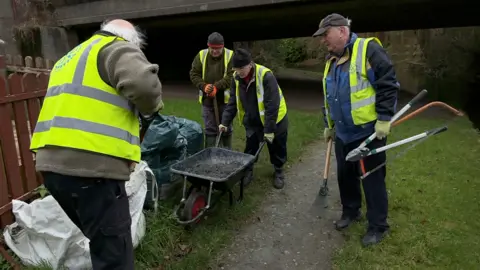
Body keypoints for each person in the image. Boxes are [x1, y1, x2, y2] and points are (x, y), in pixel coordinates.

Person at [29, 19, 164, 269]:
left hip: (52, 169)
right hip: (93, 170)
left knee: (101, 240)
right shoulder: (117, 47)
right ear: (131, 40)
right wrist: (152, 108)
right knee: (114, 256)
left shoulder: (67, 58)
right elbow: (144, 84)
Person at [313, 13, 399, 246]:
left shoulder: (368, 50)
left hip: (367, 133)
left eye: (326, 35)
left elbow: (388, 84)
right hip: (343, 133)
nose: (323, 41)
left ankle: (378, 225)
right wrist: (329, 125)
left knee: (372, 180)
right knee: (345, 175)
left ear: (342, 31)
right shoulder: (331, 60)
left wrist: (383, 118)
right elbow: (330, 96)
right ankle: (351, 211)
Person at [219, 48, 289, 189]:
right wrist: (225, 122)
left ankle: (278, 170)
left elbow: (272, 105)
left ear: (250, 64)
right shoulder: (235, 78)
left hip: (275, 119)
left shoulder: (266, 76)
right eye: (236, 68)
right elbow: (232, 101)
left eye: (242, 68)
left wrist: (269, 130)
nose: (239, 72)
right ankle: (248, 170)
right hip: (252, 119)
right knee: (251, 147)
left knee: (276, 147)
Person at [189, 32, 234, 148]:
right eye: (212, 48)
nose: (214, 51)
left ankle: (227, 153)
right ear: (208, 46)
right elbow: (194, 74)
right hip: (207, 100)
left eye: (217, 49)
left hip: (225, 101)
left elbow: (232, 76)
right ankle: (210, 154)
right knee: (210, 129)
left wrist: (216, 86)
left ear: (222, 46)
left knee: (225, 127)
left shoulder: (230, 55)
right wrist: (204, 86)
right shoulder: (201, 55)